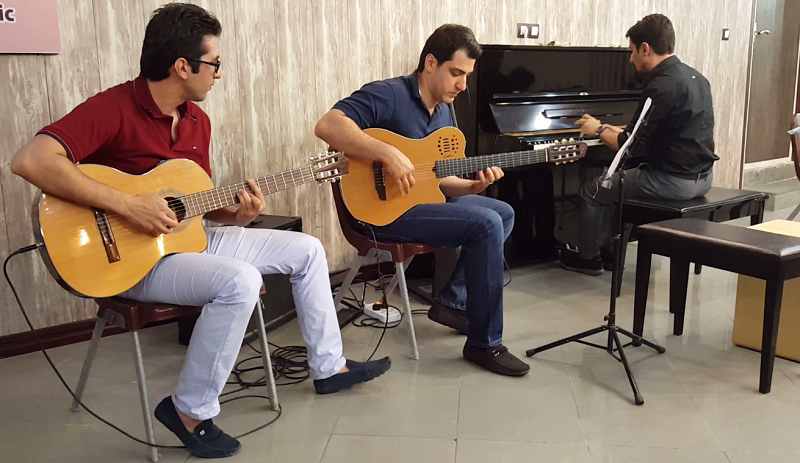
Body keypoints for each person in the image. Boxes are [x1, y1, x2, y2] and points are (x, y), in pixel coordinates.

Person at [10, 3, 389, 459]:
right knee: (241, 281)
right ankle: (189, 411)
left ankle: (329, 368)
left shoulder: (196, 121)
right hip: (130, 262)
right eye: (214, 63)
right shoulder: (112, 108)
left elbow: (193, 208)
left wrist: (239, 215)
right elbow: (30, 160)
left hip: (186, 244)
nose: (219, 74)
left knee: (306, 249)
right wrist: (127, 204)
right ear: (182, 66)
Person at [315, 24, 530, 377]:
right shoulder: (389, 94)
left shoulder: (445, 110)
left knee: (502, 213)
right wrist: (387, 153)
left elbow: (438, 181)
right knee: (486, 223)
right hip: (382, 212)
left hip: (420, 204)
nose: (463, 85)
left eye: (467, 75)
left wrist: (472, 187)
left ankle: (453, 302)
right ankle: (484, 343)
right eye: (456, 73)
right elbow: (327, 125)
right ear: (430, 63)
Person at [560, 13, 719, 276]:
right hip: (703, 177)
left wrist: (597, 129)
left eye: (632, 51)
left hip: (673, 181)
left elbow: (626, 145)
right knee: (617, 183)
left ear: (645, 49)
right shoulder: (696, 78)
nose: (631, 59)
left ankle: (588, 258)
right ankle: (610, 251)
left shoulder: (661, 86)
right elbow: (656, 129)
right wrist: (612, 128)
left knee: (594, 190)